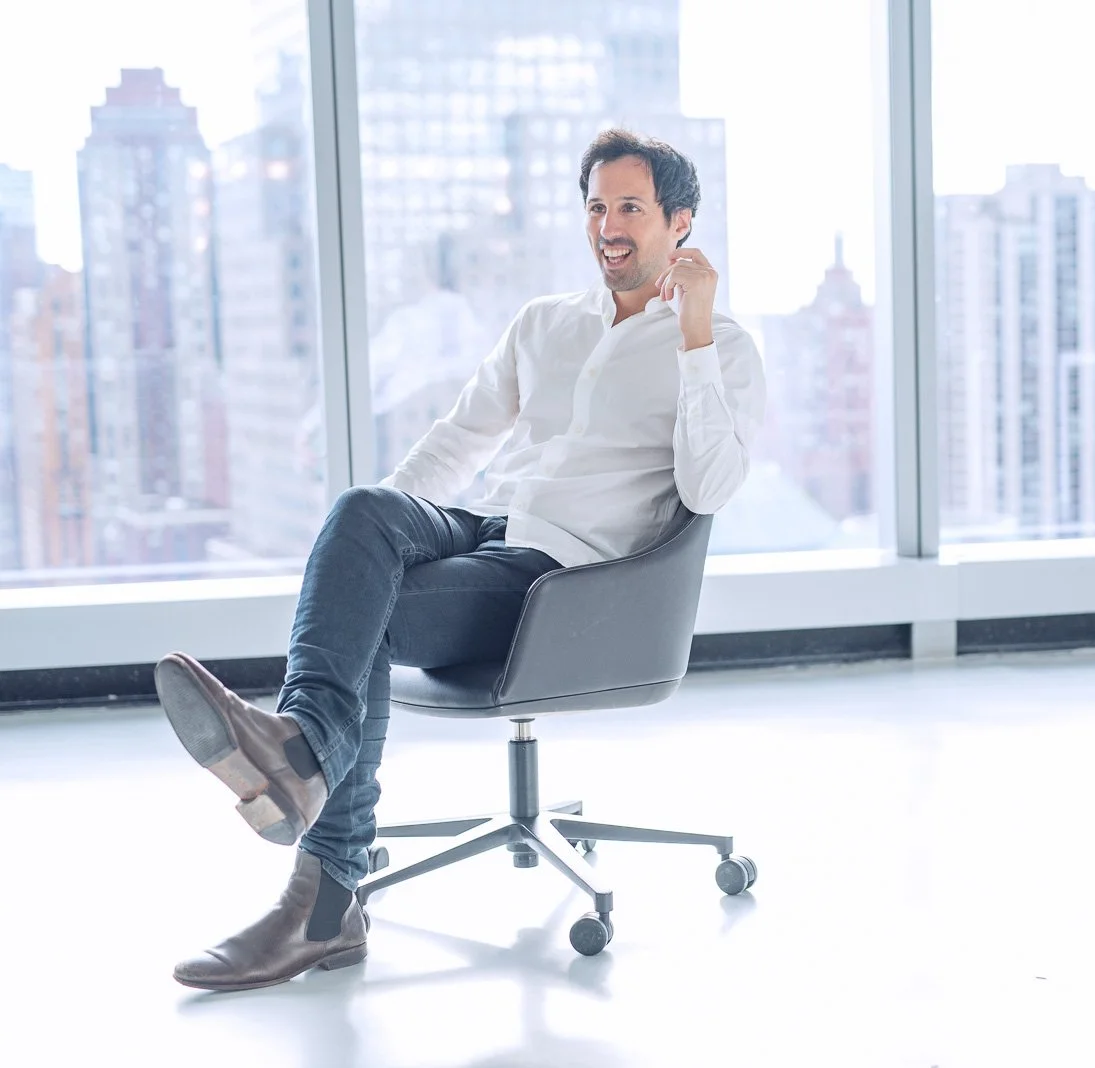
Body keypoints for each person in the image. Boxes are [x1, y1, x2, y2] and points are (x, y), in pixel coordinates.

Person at [155, 129, 765, 991]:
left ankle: (320, 880)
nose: (608, 226)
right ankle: (303, 766)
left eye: (630, 207)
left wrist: (693, 333)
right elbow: (460, 437)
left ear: (681, 223)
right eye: (596, 207)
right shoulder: (546, 323)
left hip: (560, 581)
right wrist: (377, 548)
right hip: (479, 526)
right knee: (361, 512)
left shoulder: (722, 347)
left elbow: (709, 487)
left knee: (362, 622)